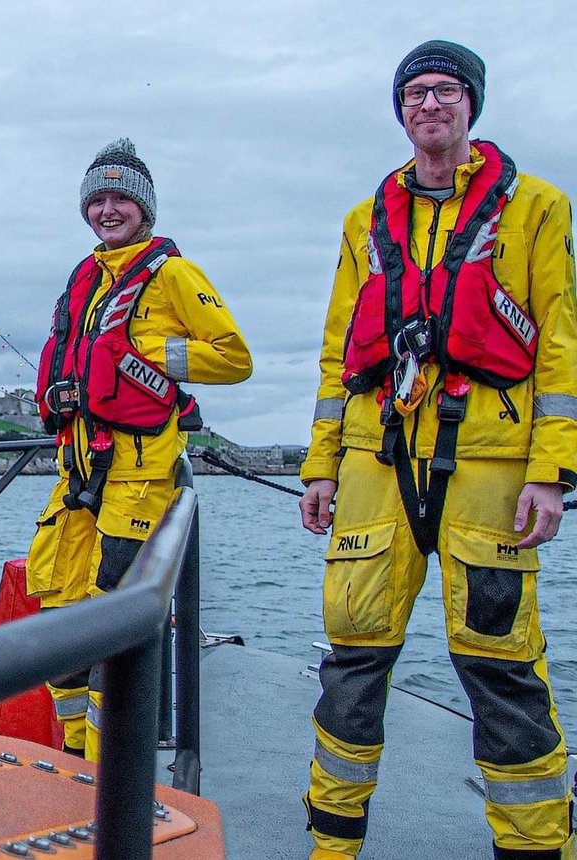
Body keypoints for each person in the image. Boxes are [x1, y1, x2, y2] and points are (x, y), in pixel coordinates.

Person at [299, 40, 577, 859]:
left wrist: (552, 474)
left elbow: (560, 347)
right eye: (415, 93)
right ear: (400, 110)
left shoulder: (538, 209)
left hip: (491, 467)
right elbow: (334, 353)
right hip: (375, 462)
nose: (430, 105)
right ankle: (332, 845)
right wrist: (319, 464)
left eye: (447, 91)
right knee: (352, 660)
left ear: (472, 104)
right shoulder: (363, 221)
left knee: (501, 665)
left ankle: (533, 848)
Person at [28, 138, 252, 762]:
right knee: (58, 614)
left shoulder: (173, 274)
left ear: (144, 210)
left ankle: (109, 775)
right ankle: (72, 757)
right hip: (75, 475)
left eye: (120, 198)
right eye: (96, 199)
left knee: (109, 621)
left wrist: (152, 356)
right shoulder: (84, 275)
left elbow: (235, 359)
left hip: (139, 476)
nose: (107, 210)